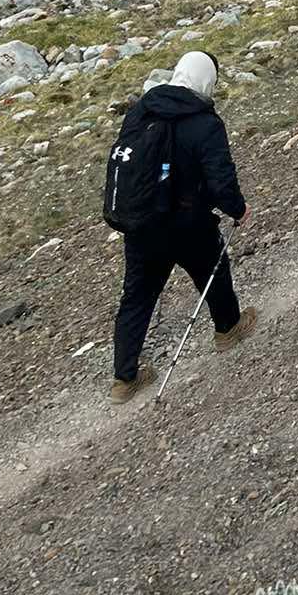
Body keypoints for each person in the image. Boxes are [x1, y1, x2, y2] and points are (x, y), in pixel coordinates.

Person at [108, 49, 255, 403]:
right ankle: (227, 329)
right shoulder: (205, 122)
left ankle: (124, 379)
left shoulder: (140, 111)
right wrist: (238, 209)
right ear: (207, 81)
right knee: (214, 271)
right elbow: (220, 180)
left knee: (137, 297)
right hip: (188, 223)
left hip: (141, 223)